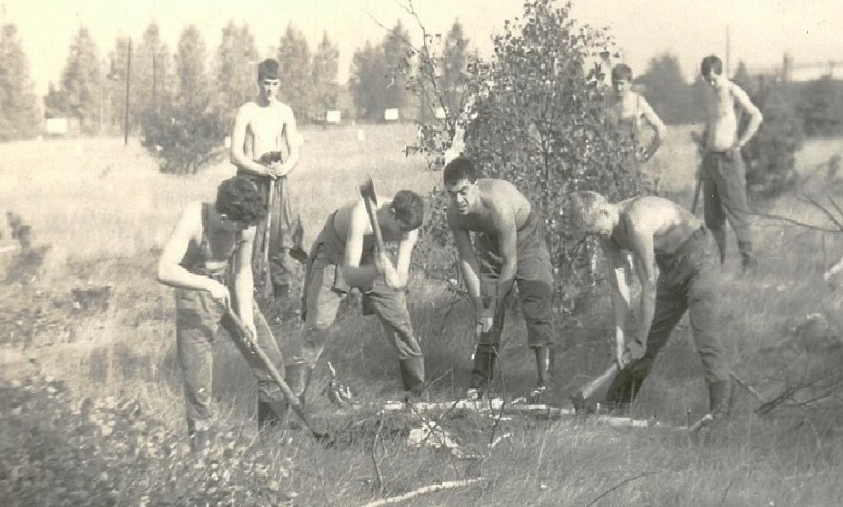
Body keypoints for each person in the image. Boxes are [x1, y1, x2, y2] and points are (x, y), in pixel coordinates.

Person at [566, 191, 731, 418]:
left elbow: (648, 284)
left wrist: (640, 338)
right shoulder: (607, 234)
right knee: (647, 340)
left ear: (604, 212)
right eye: (593, 234)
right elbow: (619, 287)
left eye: (597, 230)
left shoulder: (637, 220)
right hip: (672, 269)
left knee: (705, 337)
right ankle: (612, 408)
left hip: (701, 259)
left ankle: (720, 417)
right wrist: (620, 340)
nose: (599, 236)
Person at [157, 176, 288, 449]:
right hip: (194, 289)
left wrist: (247, 318)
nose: (246, 231)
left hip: (229, 287)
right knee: (199, 384)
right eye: (240, 226)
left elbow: (242, 271)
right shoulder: (195, 218)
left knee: (271, 361)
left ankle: (274, 449)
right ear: (226, 218)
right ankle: (202, 463)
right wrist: (207, 284)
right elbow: (165, 269)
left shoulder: (246, 225)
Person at [283, 189, 426, 402]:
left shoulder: (410, 228)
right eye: (401, 229)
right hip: (334, 253)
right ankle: (292, 404)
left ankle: (416, 396)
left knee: (400, 321)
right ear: (392, 213)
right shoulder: (363, 214)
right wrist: (377, 270)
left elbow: (401, 278)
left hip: (371, 254)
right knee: (317, 328)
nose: (403, 236)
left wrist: (393, 278)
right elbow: (349, 274)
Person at [443, 156, 556, 401]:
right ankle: (479, 384)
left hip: (526, 239)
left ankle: (545, 384)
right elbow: (467, 259)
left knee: (537, 300)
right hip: (491, 241)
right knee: (486, 309)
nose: (459, 200)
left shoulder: (498, 204)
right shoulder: (454, 214)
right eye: (452, 194)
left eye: (463, 191)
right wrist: (481, 308)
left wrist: (493, 307)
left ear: (475, 185)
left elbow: (511, 263)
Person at [230, 58, 304, 306]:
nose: (269, 89)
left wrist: (285, 167)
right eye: (265, 83)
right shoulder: (246, 111)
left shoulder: (285, 112)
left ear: (279, 84)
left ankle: (281, 305)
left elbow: (294, 150)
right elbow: (235, 155)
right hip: (250, 182)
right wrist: (260, 170)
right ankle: (248, 302)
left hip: (277, 182)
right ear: (258, 82)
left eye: (274, 84)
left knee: (280, 242)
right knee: (249, 241)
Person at [697, 54, 763, 270]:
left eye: (714, 78)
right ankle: (719, 264)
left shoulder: (732, 90)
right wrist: (704, 157)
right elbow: (712, 127)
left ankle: (749, 263)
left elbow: (756, 116)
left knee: (737, 211)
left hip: (728, 159)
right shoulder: (709, 95)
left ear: (721, 73)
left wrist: (740, 144)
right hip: (711, 161)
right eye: (708, 80)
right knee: (712, 216)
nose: (711, 83)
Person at [609, 63, 667, 161]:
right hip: (608, 161)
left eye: (621, 83)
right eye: (615, 83)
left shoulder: (638, 102)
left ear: (629, 83)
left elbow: (661, 129)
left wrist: (647, 155)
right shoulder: (605, 102)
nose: (618, 88)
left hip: (631, 160)